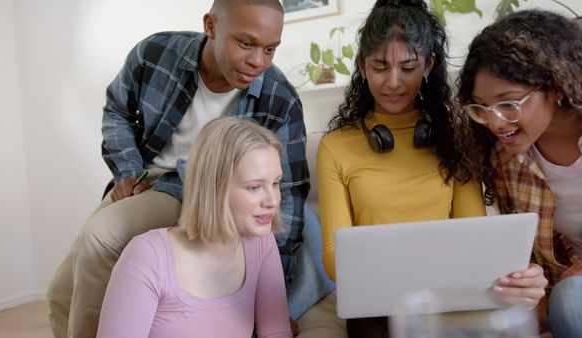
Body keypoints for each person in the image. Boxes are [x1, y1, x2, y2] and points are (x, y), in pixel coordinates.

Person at [46, 1, 311, 337]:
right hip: (147, 177)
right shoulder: (155, 53)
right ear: (211, 26)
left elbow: (288, 196)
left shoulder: (279, 97)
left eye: (270, 49)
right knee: (59, 293)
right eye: (245, 44)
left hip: (197, 187)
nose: (257, 61)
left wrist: (275, 302)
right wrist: (127, 170)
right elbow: (118, 109)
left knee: (102, 236)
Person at [315, 1, 548, 337]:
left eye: (408, 67)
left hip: (454, 302)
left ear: (429, 65)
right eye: (380, 67)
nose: (393, 82)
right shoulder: (334, 147)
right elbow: (335, 261)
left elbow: (472, 238)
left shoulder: (457, 139)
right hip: (379, 309)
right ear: (361, 67)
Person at [455, 9, 582, 338]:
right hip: (580, 294)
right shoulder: (505, 160)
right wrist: (527, 291)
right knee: (572, 301)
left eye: (508, 103)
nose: (495, 122)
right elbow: (530, 262)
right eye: (481, 108)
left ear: (555, 87)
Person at [96, 117, 292, 338]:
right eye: (255, 187)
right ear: (214, 188)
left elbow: (277, 333)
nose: (273, 200)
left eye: (275, 183)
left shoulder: (261, 243)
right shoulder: (148, 256)